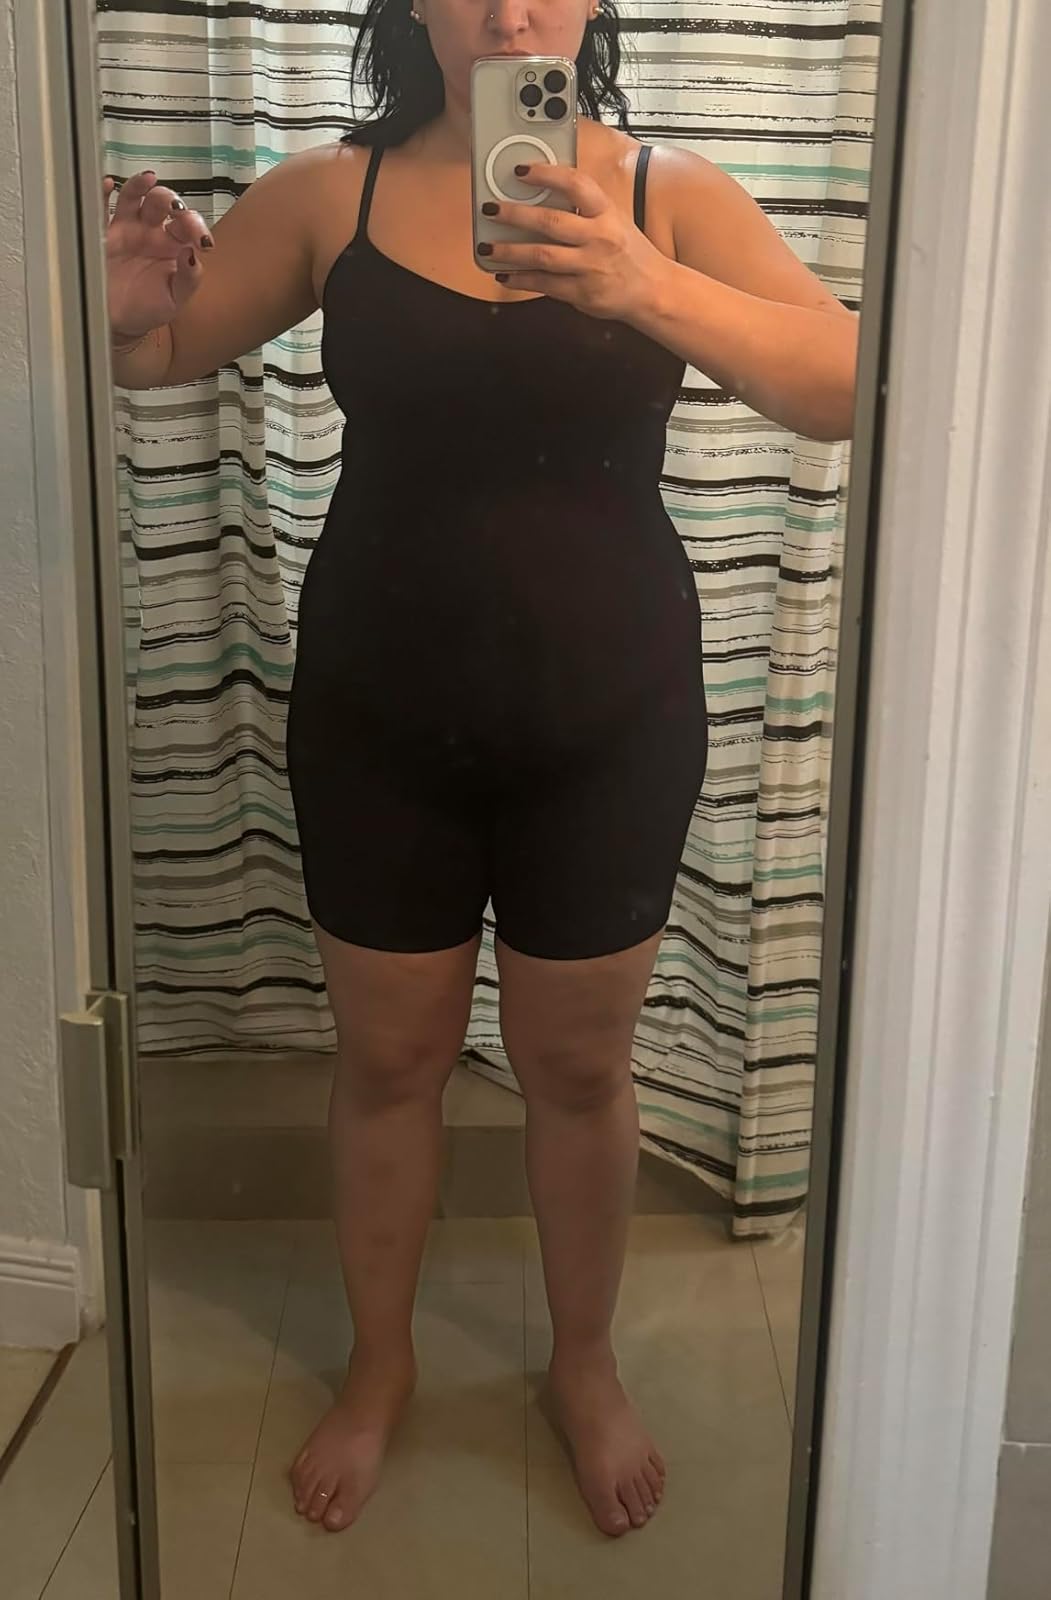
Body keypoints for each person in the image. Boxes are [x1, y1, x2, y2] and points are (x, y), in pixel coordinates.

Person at [106, 0, 856, 1542]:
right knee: (388, 1064)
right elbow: (164, 353)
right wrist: (122, 312)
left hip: (609, 722)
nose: (513, 8)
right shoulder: (331, 192)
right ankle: (380, 1365)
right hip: (379, 719)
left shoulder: (667, 194)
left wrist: (643, 283)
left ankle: (583, 1362)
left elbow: (847, 381)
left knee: (579, 1070)